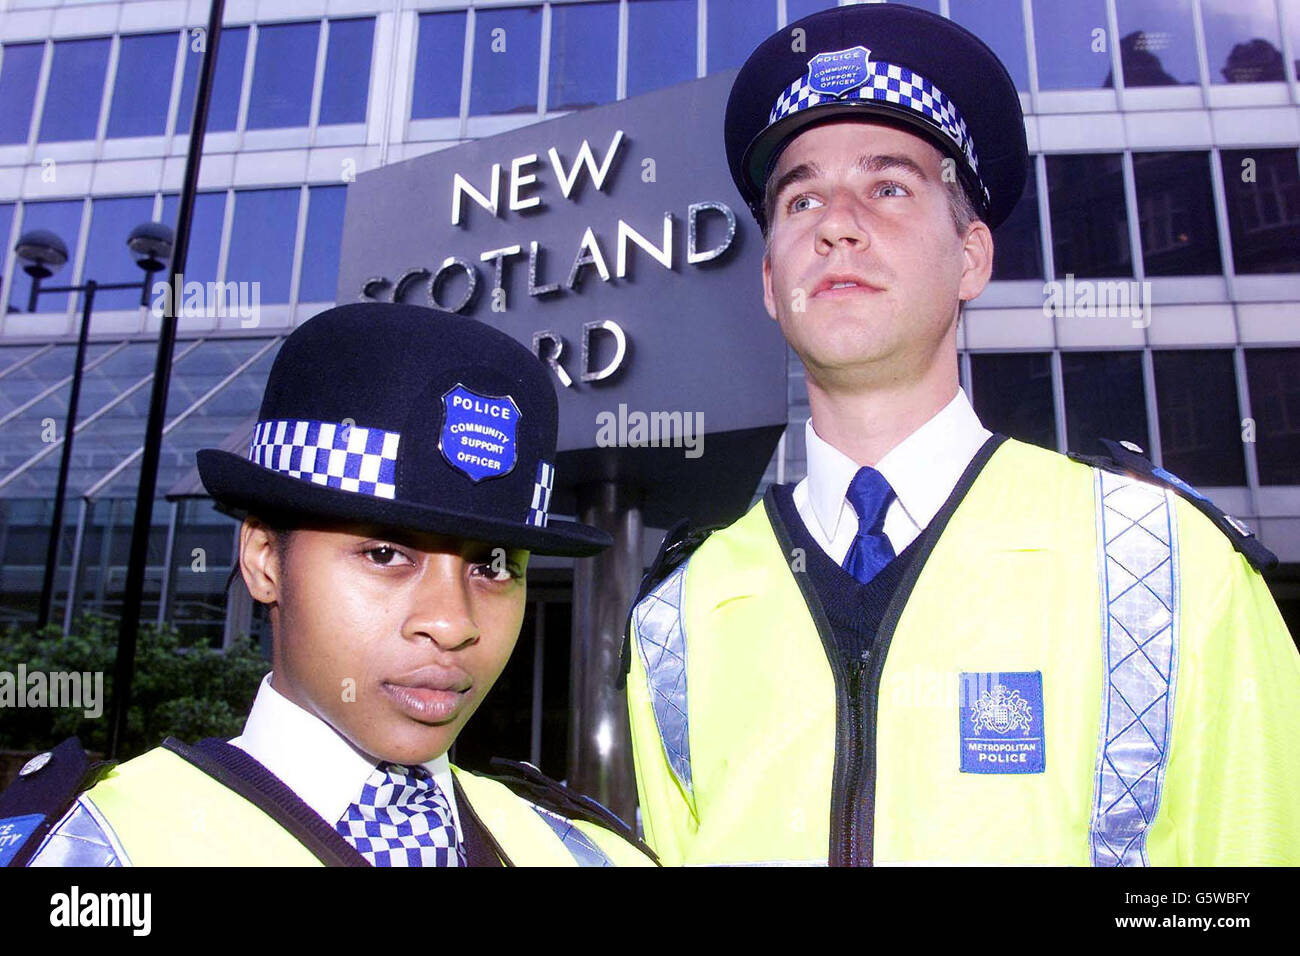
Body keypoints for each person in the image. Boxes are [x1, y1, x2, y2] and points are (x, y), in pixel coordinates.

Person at [622, 3, 1300, 867]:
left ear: (972, 258)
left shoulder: (1162, 563)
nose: (836, 223)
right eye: (801, 198)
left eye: (889, 187)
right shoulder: (677, 615)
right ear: (768, 279)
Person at [1, 302, 655, 867]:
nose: (453, 623)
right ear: (262, 559)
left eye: (492, 566)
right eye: (383, 553)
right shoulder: (98, 846)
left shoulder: (585, 850)